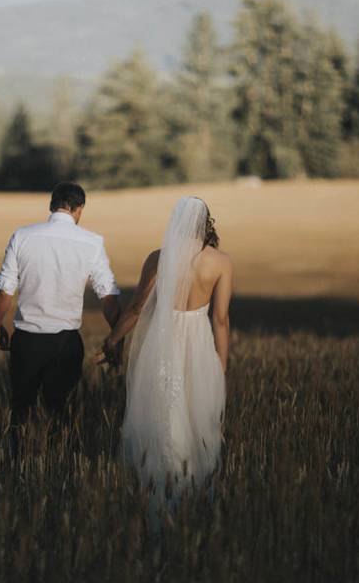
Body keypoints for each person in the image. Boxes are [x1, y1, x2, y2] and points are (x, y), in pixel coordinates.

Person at [98, 195, 231, 519]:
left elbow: (136, 309)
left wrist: (112, 341)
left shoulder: (159, 258)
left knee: (164, 415)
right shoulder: (221, 262)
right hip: (199, 344)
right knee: (198, 417)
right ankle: (197, 498)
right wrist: (219, 368)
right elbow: (222, 320)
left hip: (164, 342)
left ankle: (161, 495)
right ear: (207, 223)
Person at [0, 182, 121, 459]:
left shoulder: (23, 236)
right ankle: (61, 470)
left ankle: (17, 470)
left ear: (52, 205)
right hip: (66, 343)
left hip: (27, 341)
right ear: (79, 209)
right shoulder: (92, 242)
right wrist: (117, 335)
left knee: (20, 411)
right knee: (62, 413)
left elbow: (4, 290)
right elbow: (107, 296)